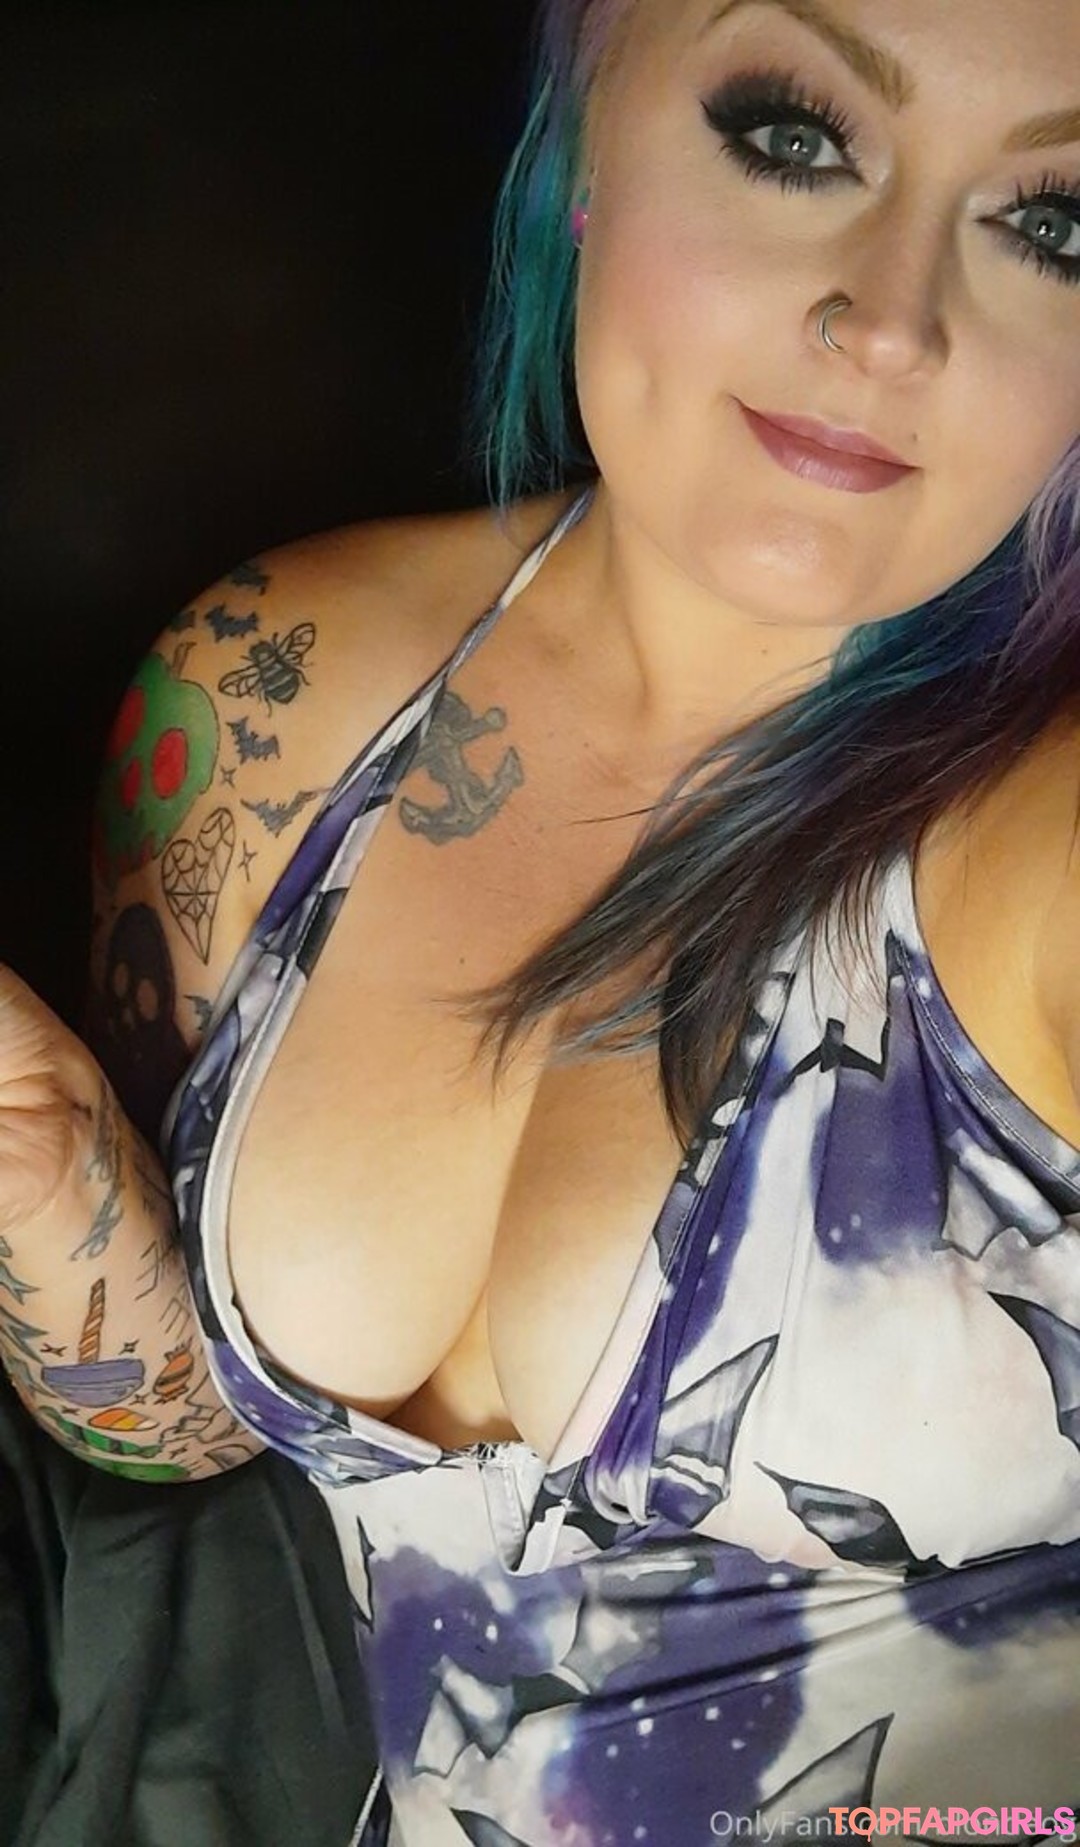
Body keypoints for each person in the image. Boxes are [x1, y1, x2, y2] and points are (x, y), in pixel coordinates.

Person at [3, 0, 1080, 1839]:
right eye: (795, 135)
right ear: (584, 140)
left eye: (1054, 226)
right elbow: (185, 1429)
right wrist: (36, 1163)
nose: (892, 322)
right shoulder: (269, 697)